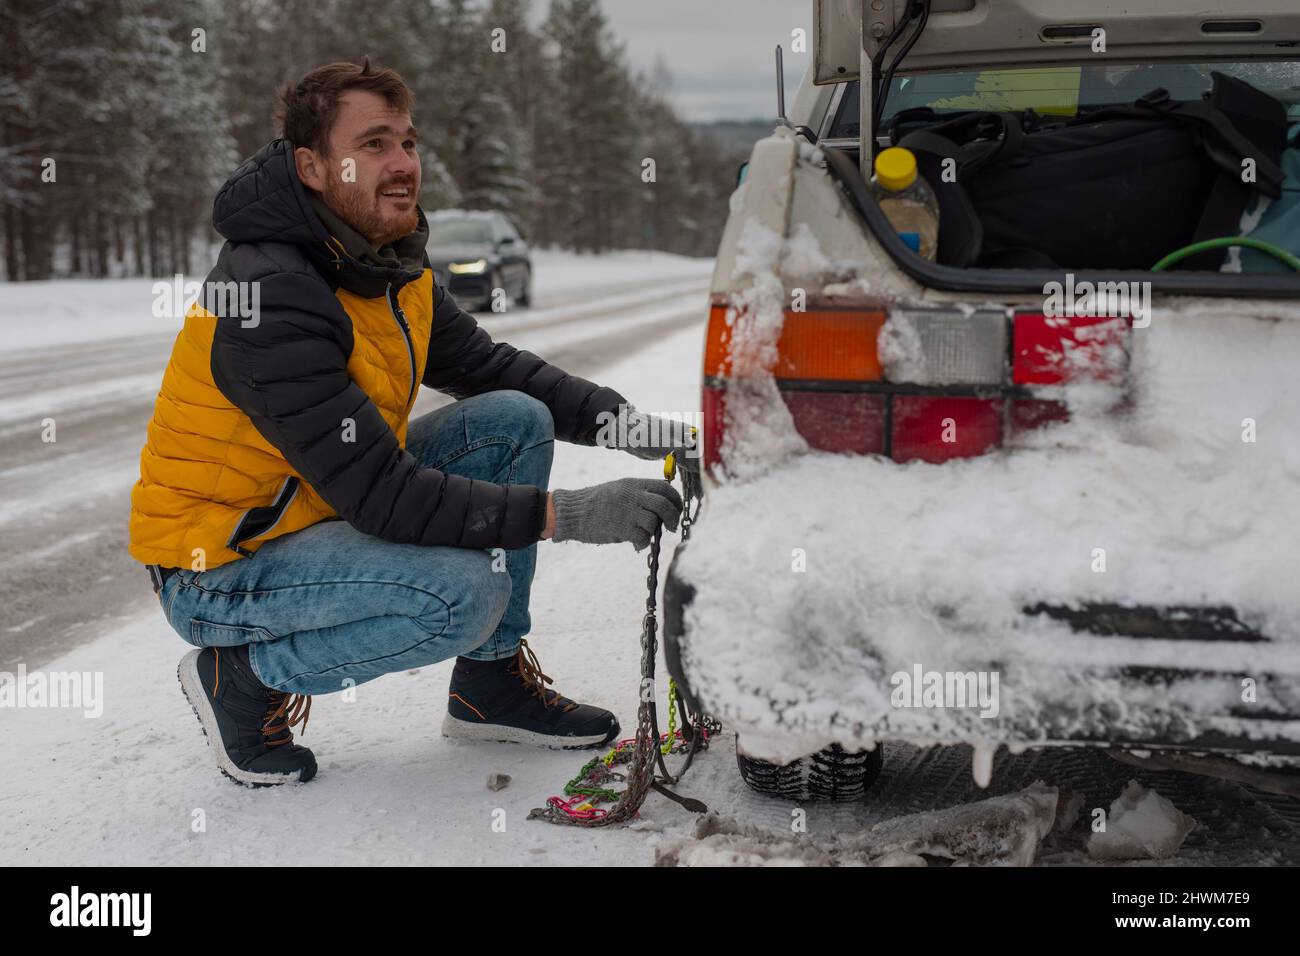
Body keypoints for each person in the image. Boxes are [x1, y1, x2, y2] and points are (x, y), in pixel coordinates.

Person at [127, 58, 698, 787]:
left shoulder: (385, 263)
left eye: (408, 141)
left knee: (512, 420)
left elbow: (493, 371)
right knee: (461, 593)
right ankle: (241, 677)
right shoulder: (269, 294)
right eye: (373, 145)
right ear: (312, 166)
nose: (403, 165)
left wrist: (627, 425)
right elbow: (384, 495)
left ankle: (488, 690)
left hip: (312, 513)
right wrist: (570, 514)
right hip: (222, 562)